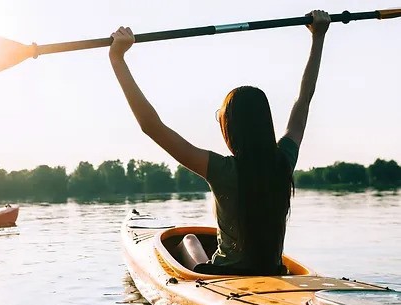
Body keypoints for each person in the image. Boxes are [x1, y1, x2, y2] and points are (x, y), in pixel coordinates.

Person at [109, 10, 331, 275]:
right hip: (274, 271)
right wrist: (319, 38)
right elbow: (304, 99)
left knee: (189, 240)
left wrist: (117, 59)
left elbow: (151, 126)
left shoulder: (220, 169)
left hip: (224, 276)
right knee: (193, 239)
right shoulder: (284, 160)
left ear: (231, 128)